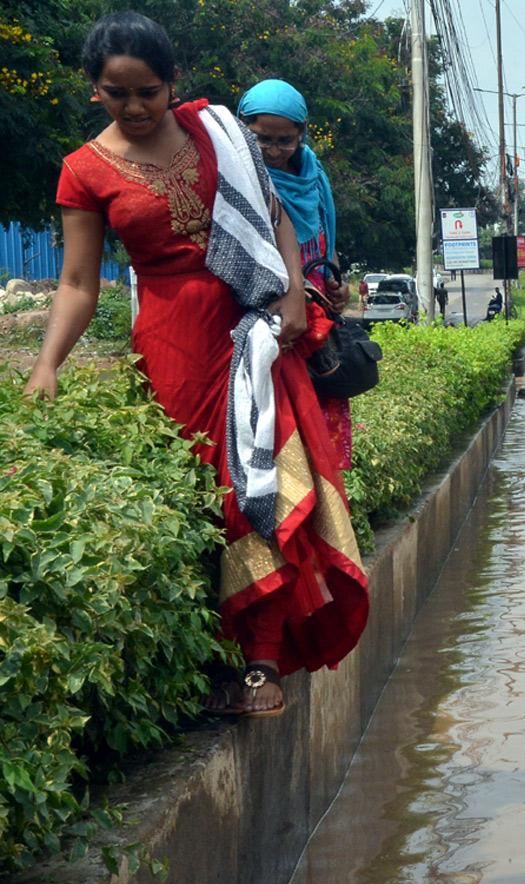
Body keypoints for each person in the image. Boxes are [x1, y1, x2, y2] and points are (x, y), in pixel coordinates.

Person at [26, 12, 368, 716]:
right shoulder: (83, 172)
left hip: (256, 328)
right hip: (173, 347)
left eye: (147, 91)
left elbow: (273, 214)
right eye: (117, 93)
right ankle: (205, 658)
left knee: (262, 482)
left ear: (171, 81)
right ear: (95, 90)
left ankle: (261, 665)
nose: (135, 107)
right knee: (206, 497)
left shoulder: (216, 131)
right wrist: (46, 363)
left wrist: (295, 297)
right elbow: (78, 284)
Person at [236, 79, 353, 470]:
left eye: (284, 140)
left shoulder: (314, 176)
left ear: (302, 134)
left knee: (321, 429)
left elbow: (325, 243)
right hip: (269, 321)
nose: (272, 151)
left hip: (316, 322)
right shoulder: (237, 177)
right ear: (241, 127)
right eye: (261, 139)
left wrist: (336, 288)